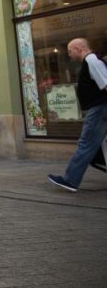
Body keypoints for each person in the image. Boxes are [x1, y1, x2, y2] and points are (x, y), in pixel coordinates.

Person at [48, 38, 107, 192]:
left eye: (70, 51)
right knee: (99, 146)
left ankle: (70, 180)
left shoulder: (92, 60)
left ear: (79, 48)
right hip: (99, 108)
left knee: (86, 144)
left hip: (99, 109)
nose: (69, 54)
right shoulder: (90, 61)